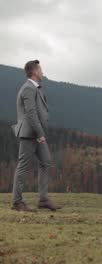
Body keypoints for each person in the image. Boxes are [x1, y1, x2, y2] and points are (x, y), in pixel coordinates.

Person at [10, 60, 62, 212]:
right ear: (34, 72)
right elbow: (31, 113)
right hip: (30, 134)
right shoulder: (28, 88)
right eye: (40, 69)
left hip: (37, 134)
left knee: (46, 162)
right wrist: (40, 134)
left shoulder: (35, 88)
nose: (42, 72)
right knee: (23, 166)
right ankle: (17, 202)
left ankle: (43, 200)